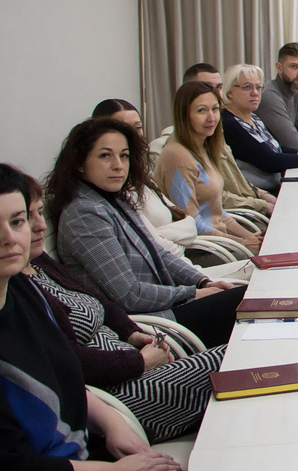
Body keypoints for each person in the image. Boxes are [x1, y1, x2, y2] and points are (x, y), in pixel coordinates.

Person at [0, 163, 211, 471]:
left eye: (17, 221)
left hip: (75, 467)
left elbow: (64, 379)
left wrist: (112, 423)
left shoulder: (22, 292)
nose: (10, 238)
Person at [21, 174, 224, 443]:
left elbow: (99, 301)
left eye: (39, 213)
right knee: (235, 359)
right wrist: (140, 362)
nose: (40, 225)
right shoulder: (17, 288)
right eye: (24, 218)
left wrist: (131, 333)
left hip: (134, 362)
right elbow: (70, 362)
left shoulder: (38, 262)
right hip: (117, 400)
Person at [51, 116, 245, 348]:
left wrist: (202, 282)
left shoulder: (115, 200)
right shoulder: (84, 214)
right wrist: (193, 293)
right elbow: (130, 295)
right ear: (80, 162)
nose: (118, 165)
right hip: (152, 324)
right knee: (250, 302)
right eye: (105, 156)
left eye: (124, 155)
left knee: (251, 300)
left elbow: (159, 254)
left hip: (168, 305)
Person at [155, 82, 262, 254]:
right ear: (184, 115)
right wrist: (241, 242)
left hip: (222, 242)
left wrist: (251, 238)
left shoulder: (203, 148)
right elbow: (190, 222)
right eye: (201, 111)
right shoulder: (178, 157)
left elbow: (218, 214)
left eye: (215, 109)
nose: (211, 118)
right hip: (204, 250)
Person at [92, 98, 199, 256]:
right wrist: (178, 241)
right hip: (172, 262)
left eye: (138, 127)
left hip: (183, 256)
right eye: (124, 128)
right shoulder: (115, 184)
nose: (134, 134)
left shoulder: (141, 177)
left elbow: (190, 223)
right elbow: (153, 246)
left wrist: (167, 237)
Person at [222, 63, 298, 192]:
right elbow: (269, 161)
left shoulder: (253, 117)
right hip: (257, 194)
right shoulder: (229, 123)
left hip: (275, 185)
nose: (255, 93)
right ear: (230, 93)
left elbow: (274, 147)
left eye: (258, 87)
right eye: (247, 87)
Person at [258, 42, 298, 150]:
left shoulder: (295, 93)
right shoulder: (269, 95)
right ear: (279, 67)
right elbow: (294, 144)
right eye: (294, 66)